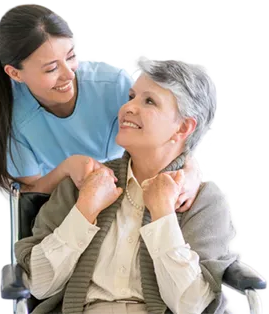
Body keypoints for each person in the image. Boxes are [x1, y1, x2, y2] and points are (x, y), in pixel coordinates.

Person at [14, 56, 240, 314]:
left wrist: (163, 215)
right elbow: (39, 285)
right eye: (131, 96)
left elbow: (191, 306)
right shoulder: (84, 183)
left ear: (184, 127)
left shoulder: (204, 200)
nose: (127, 108)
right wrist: (85, 210)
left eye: (149, 101)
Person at [0, 3, 202, 212]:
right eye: (51, 68)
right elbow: (30, 195)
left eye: (71, 56)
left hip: (130, 193)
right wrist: (66, 169)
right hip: (64, 207)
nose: (68, 74)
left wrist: (191, 171)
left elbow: (168, 135)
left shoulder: (112, 86)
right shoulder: (13, 118)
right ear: (15, 73)